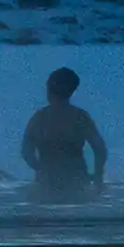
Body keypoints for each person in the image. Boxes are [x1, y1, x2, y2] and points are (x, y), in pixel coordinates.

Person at [20, 67, 107, 204]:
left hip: (48, 183)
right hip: (76, 181)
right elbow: (100, 149)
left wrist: (41, 169)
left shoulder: (40, 118)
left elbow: (26, 151)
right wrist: (98, 178)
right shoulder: (79, 117)